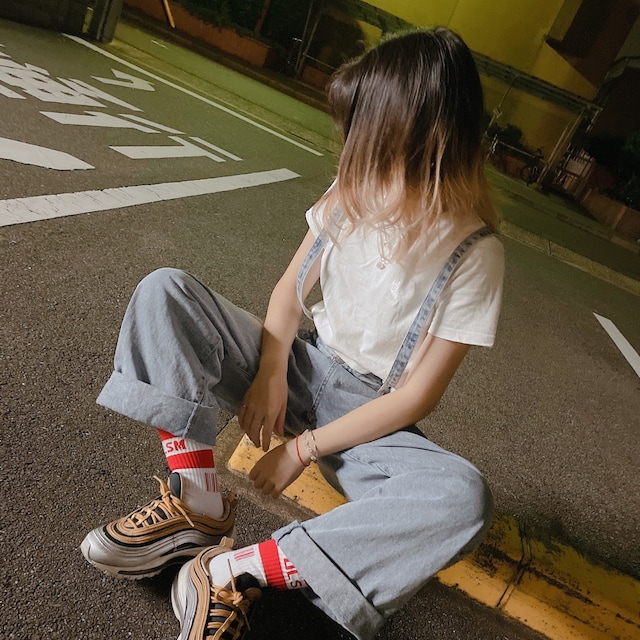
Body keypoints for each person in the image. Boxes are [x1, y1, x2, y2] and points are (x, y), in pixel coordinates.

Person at [81, 27, 504, 640]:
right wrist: (271, 372)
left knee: (462, 498)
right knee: (165, 292)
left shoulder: (476, 251)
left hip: (373, 417)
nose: (351, 145)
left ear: (410, 134)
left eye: (363, 129)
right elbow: (289, 293)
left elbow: (415, 399)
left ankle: (231, 572)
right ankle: (198, 507)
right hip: (303, 365)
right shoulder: (351, 193)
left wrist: (301, 449)